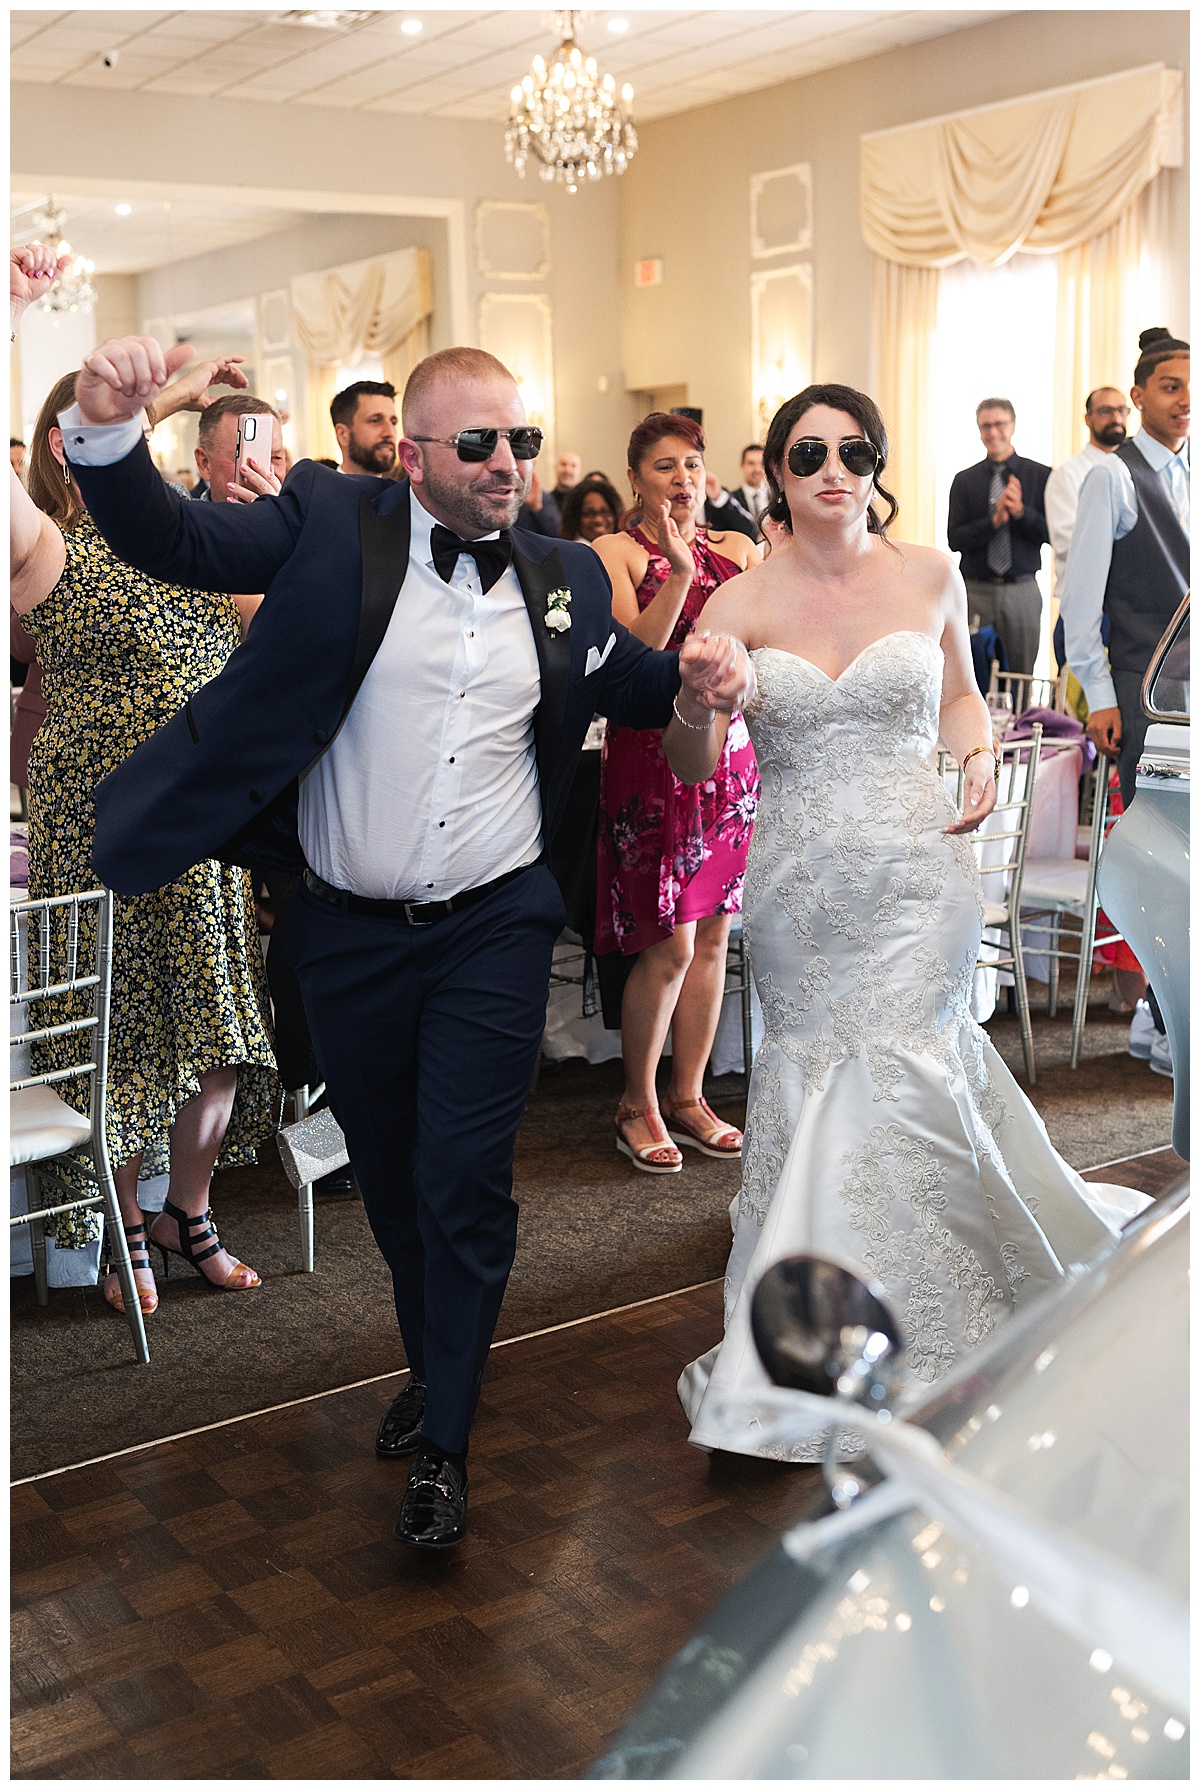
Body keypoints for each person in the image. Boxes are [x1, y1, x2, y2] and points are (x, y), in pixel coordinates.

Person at [56, 336, 752, 1550]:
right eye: (475, 443)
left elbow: (658, 703)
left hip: (492, 925)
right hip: (346, 934)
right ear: (412, 452)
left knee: (466, 1180)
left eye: (520, 441)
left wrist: (703, 686)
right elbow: (177, 542)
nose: (504, 464)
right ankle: (435, 1364)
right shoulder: (333, 521)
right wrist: (108, 434)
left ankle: (446, 1441)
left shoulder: (568, 579)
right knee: (390, 1174)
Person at [663, 381, 1148, 1461]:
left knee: (918, 1057)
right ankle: (806, 1332)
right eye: (806, 453)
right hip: (799, 880)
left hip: (917, 867)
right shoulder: (735, 603)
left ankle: (949, 1301)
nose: (832, 469)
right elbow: (689, 759)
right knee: (810, 1072)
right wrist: (700, 699)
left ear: (877, 463)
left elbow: (962, 694)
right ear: (779, 474)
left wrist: (977, 756)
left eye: (852, 449)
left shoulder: (930, 570)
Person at [9, 356, 279, 1318]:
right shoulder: (53, 551)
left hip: (203, 824)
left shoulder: (200, 546)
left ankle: (188, 1214)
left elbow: (282, 639)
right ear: (65, 445)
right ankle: (124, 1222)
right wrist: (148, 399)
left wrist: (265, 515)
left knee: (221, 1035)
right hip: (98, 826)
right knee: (116, 1035)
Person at [591, 414, 760, 1174]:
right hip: (650, 756)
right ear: (636, 478)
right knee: (669, 941)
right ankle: (637, 1103)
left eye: (692, 463)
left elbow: (759, 647)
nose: (683, 479)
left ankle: (689, 1096)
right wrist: (681, 573)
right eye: (665, 466)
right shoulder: (613, 553)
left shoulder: (741, 548)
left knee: (716, 937)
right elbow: (631, 662)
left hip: (730, 763)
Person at [1061, 327, 1189, 1078]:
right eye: (1169, 387)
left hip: (1193, 699)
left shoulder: (1191, 472)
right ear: (1138, 397)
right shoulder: (1113, 477)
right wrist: (1103, 698)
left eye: (1189, 386)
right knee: (1165, 864)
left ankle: (1156, 1019)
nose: (1184, 400)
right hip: (1143, 702)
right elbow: (1082, 606)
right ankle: (1170, 1025)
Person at [947, 399, 1050, 677]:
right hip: (975, 590)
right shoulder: (964, 480)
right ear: (979, 430)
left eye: (1000, 424)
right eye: (986, 426)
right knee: (970, 672)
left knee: (1021, 674)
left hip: (1021, 591)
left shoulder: (1041, 476)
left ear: (1013, 426)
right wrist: (994, 522)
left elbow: (1053, 534)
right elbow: (954, 539)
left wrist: (1021, 513)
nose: (993, 433)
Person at [1044, 388, 1129, 608]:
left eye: (1121, 410)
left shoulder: (1133, 471)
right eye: (1105, 411)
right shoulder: (1068, 474)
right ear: (1088, 419)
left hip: (1128, 605)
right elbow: (1069, 543)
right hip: (1084, 603)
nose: (1116, 418)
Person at [192, 394, 286, 505]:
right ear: (204, 464)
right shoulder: (185, 519)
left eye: (276, 458)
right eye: (243, 458)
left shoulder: (300, 519)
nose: (266, 473)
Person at [331, 379, 398, 476]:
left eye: (393, 422)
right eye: (375, 421)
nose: (390, 433)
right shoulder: (318, 490)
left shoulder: (406, 490)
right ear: (343, 434)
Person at [705, 443, 768, 540]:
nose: (757, 469)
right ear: (742, 465)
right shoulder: (727, 500)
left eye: (761, 463)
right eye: (751, 463)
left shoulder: (780, 499)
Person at [559, 474, 622, 542]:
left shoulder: (627, 548)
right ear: (575, 519)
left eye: (605, 512)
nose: (598, 520)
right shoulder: (569, 551)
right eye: (590, 513)